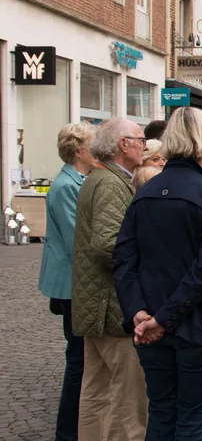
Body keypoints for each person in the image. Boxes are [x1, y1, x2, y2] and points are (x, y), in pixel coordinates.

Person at [112, 106, 202, 438]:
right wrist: (158, 318)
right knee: (192, 419)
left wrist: (140, 313)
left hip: (152, 320)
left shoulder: (145, 191)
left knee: (162, 412)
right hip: (196, 323)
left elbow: (124, 260)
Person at [71, 118, 147, 440]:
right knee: (126, 397)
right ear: (123, 144)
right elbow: (107, 243)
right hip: (112, 306)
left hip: (97, 304)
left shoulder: (101, 177)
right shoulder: (111, 183)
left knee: (96, 391)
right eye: (141, 139)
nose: (145, 144)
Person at [37, 122, 95, 441]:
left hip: (74, 282)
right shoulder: (67, 186)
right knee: (78, 359)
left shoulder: (76, 181)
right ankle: (67, 432)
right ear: (78, 150)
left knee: (80, 357)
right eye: (92, 143)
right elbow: (79, 241)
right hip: (72, 285)